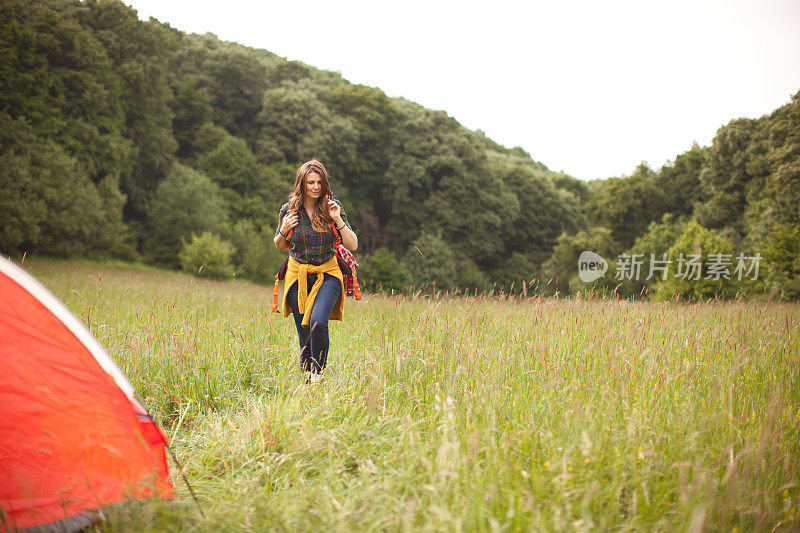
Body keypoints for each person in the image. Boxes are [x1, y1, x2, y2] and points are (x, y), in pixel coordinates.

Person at [274, 159, 358, 384]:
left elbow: (353, 244)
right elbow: (280, 245)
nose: (316, 187)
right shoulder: (289, 209)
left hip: (328, 272)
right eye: (310, 182)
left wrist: (337, 219)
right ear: (302, 183)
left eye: (320, 182)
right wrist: (283, 230)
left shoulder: (332, 207)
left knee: (318, 323)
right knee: (304, 333)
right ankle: (308, 380)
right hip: (298, 273)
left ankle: (318, 376)